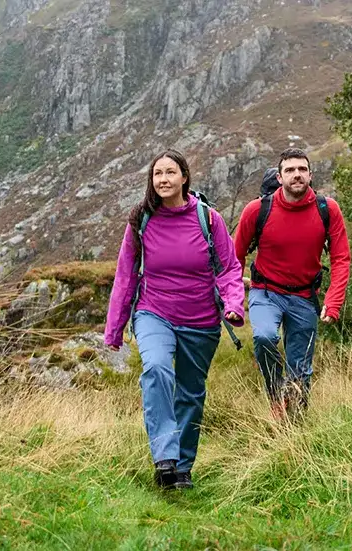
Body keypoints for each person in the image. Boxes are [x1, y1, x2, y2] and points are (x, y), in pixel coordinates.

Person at [104, 149, 245, 490]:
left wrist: (234, 304)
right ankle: (164, 456)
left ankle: (181, 470)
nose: (163, 179)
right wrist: (115, 328)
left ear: (184, 177)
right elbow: (126, 275)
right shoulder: (142, 220)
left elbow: (228, 268)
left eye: (170, 173)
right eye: (157, 174)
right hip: (154, 312)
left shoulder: (208, 219)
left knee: (191, 394)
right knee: (156, 369)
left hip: (201, 320)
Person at [233, 147, 351, 421]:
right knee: (264, 337)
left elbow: (342, 258)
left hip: (305, 298)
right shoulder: (257, 210)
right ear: (280, 176)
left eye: (301, 169)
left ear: (310, 175)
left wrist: (333, 302)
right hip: (266, 292)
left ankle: (295, 428)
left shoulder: (327, 209)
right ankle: (276, 396)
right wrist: (234, 300)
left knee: (300, 372)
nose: (296, 175)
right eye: (290, 170)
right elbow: (235, 255)